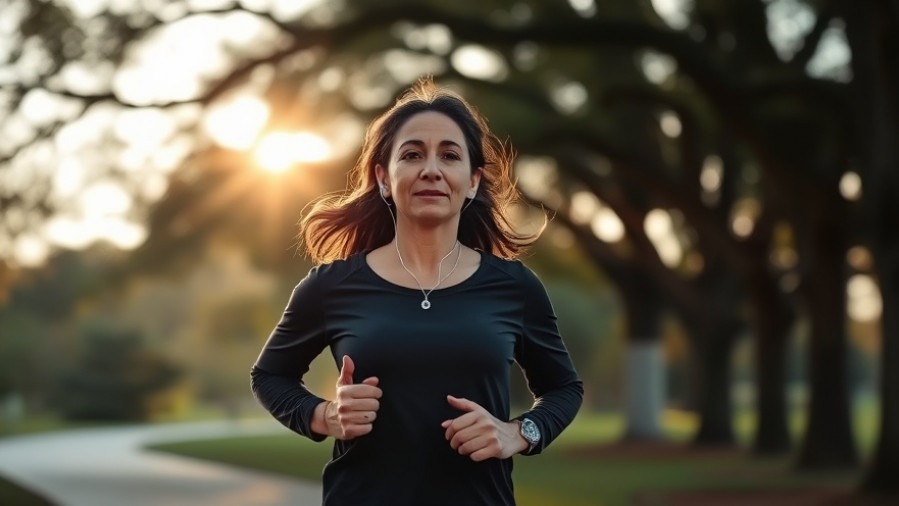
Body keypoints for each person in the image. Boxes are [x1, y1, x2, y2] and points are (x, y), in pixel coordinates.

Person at [250, 77, 583, 506]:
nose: (431, 169)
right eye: (411, 155)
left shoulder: (514, 287)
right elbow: (269, 376)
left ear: (473, 181)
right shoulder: (332, 285)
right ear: (384, 178)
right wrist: (323, 415)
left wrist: (518, 433)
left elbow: (564, 388)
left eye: (449, 155)